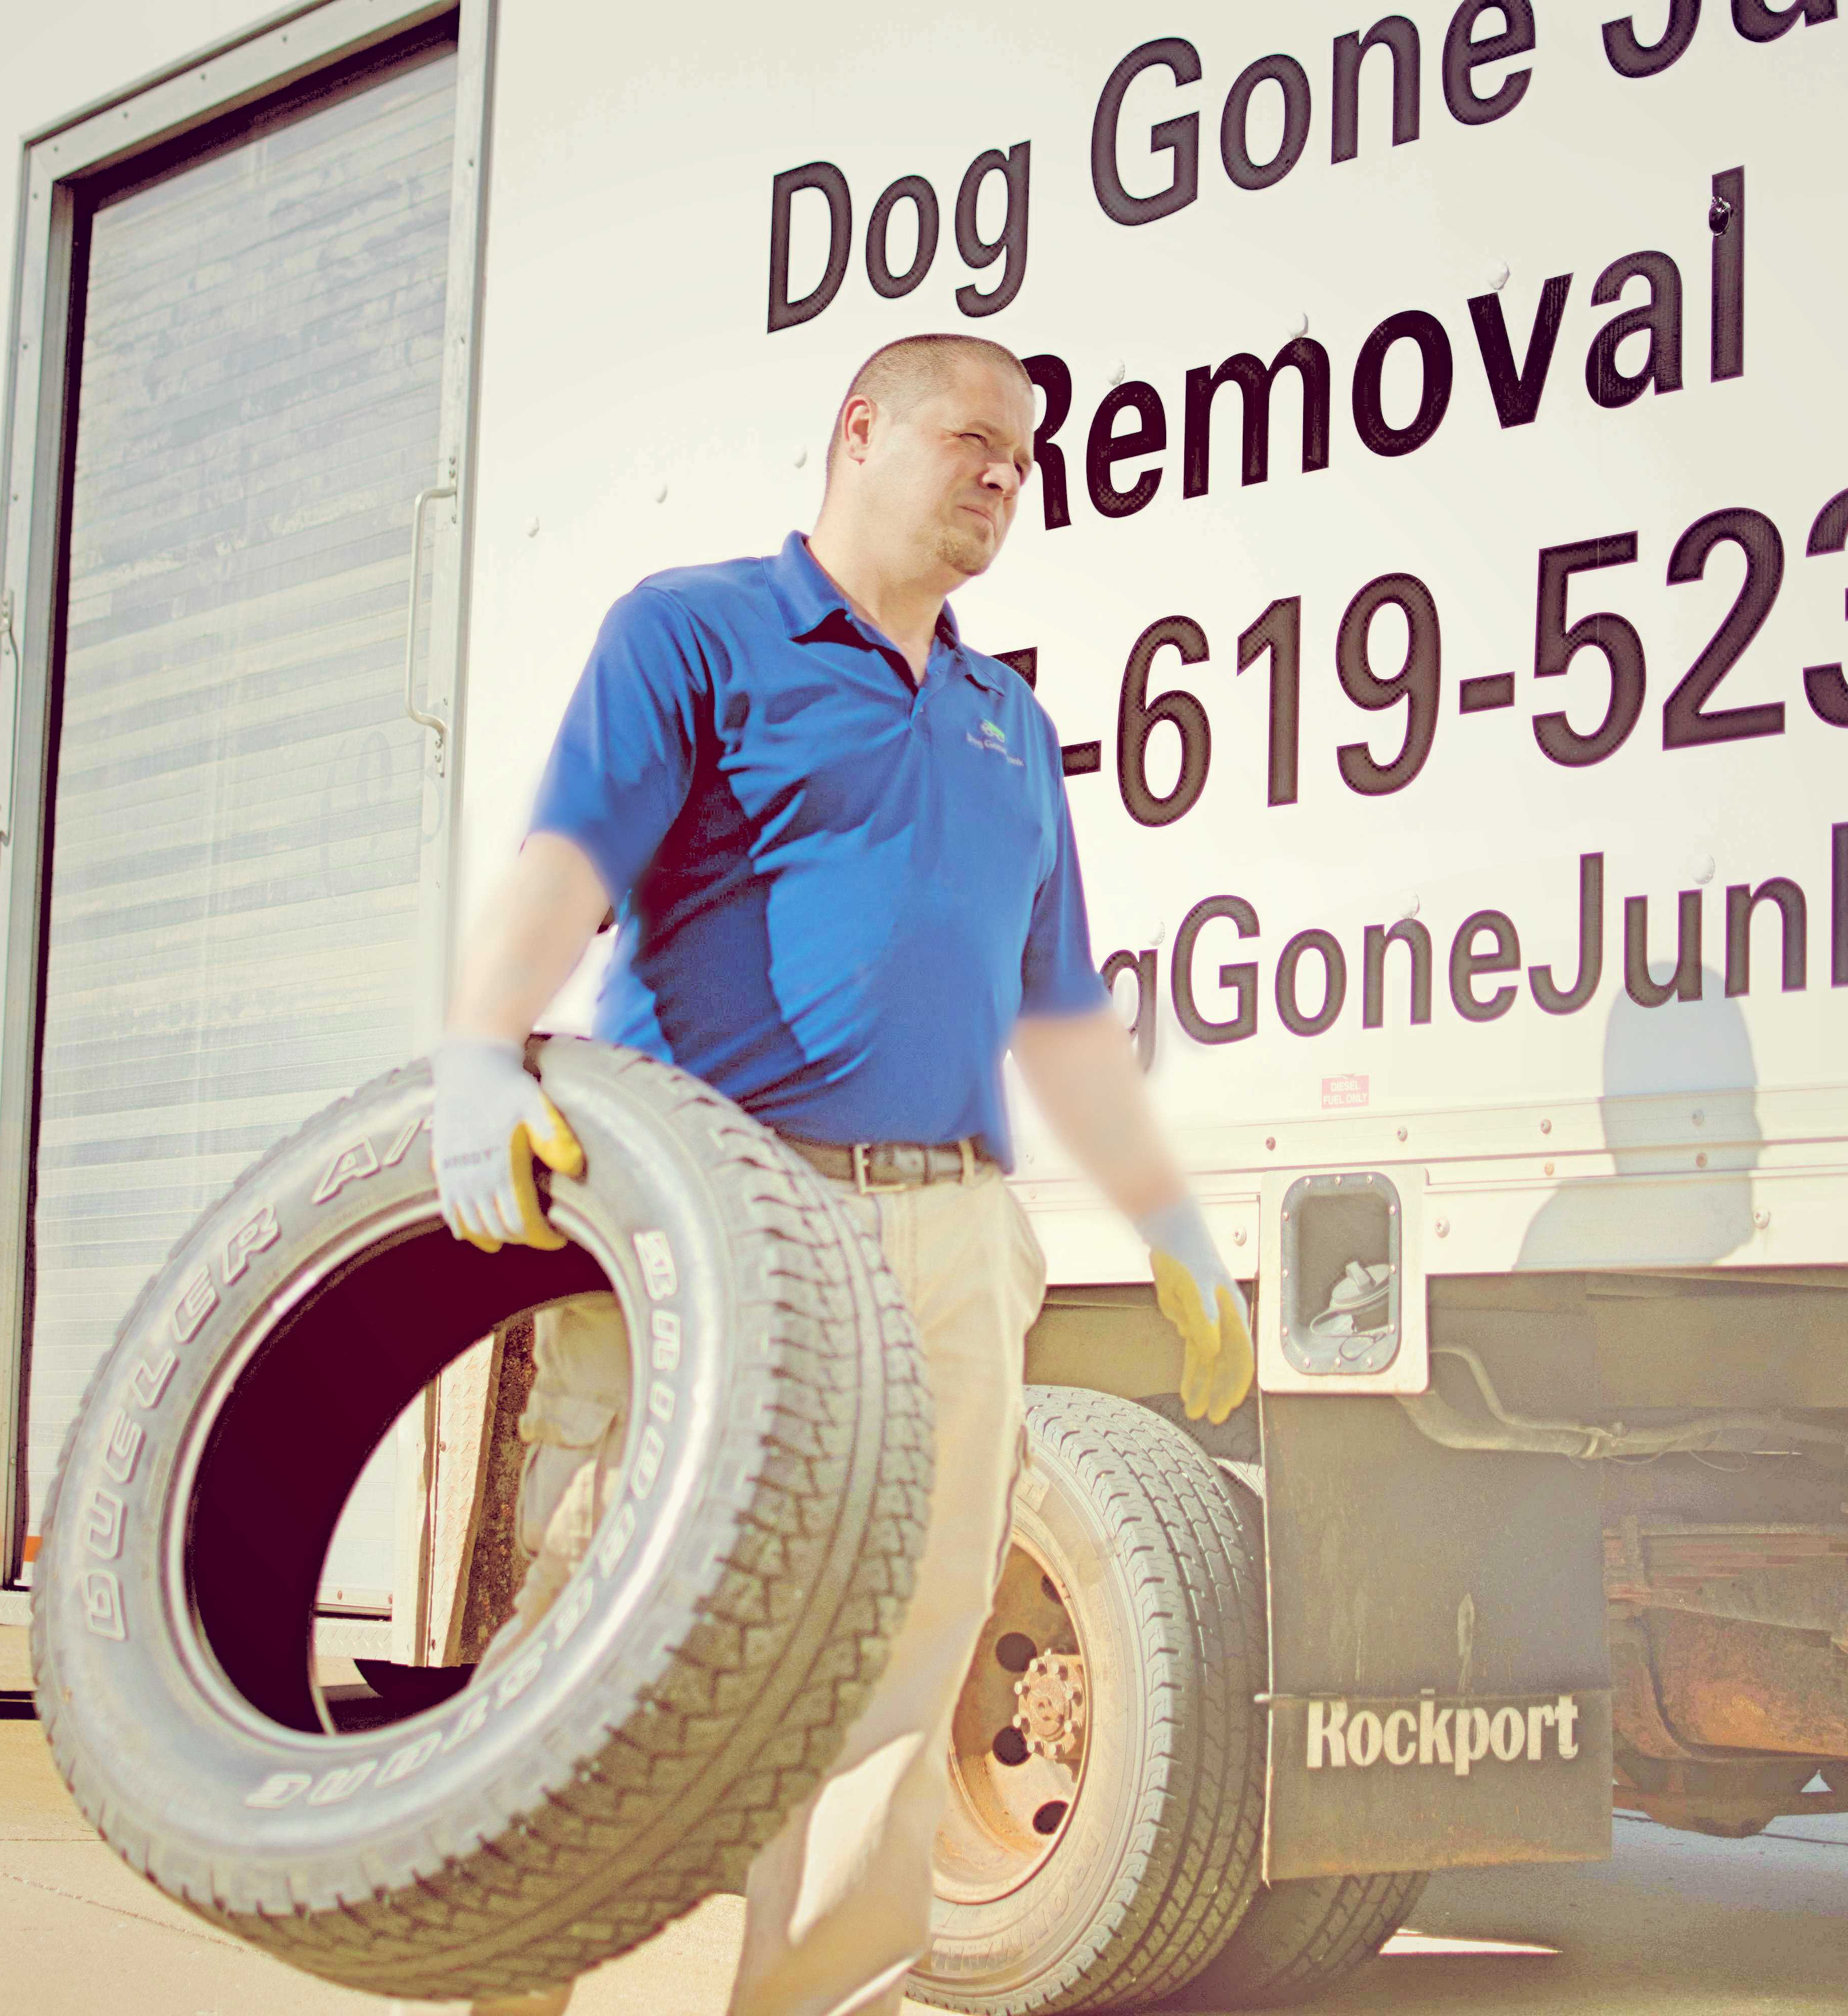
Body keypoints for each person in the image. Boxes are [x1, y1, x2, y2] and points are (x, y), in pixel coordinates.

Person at [430, 331, 1253, 2016]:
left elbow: (1060, 1007)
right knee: (613, 1633)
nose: (1005, 473)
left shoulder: (1008, 721)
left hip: (953, 1235)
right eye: (972, 437)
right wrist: (476, 1044)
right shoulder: (699, 632)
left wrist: (1171, 1221)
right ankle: (519, 1994)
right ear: (858, 431)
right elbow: (571, 855)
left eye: (1023, 457)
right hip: (726, 1222)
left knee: (907, 1660)